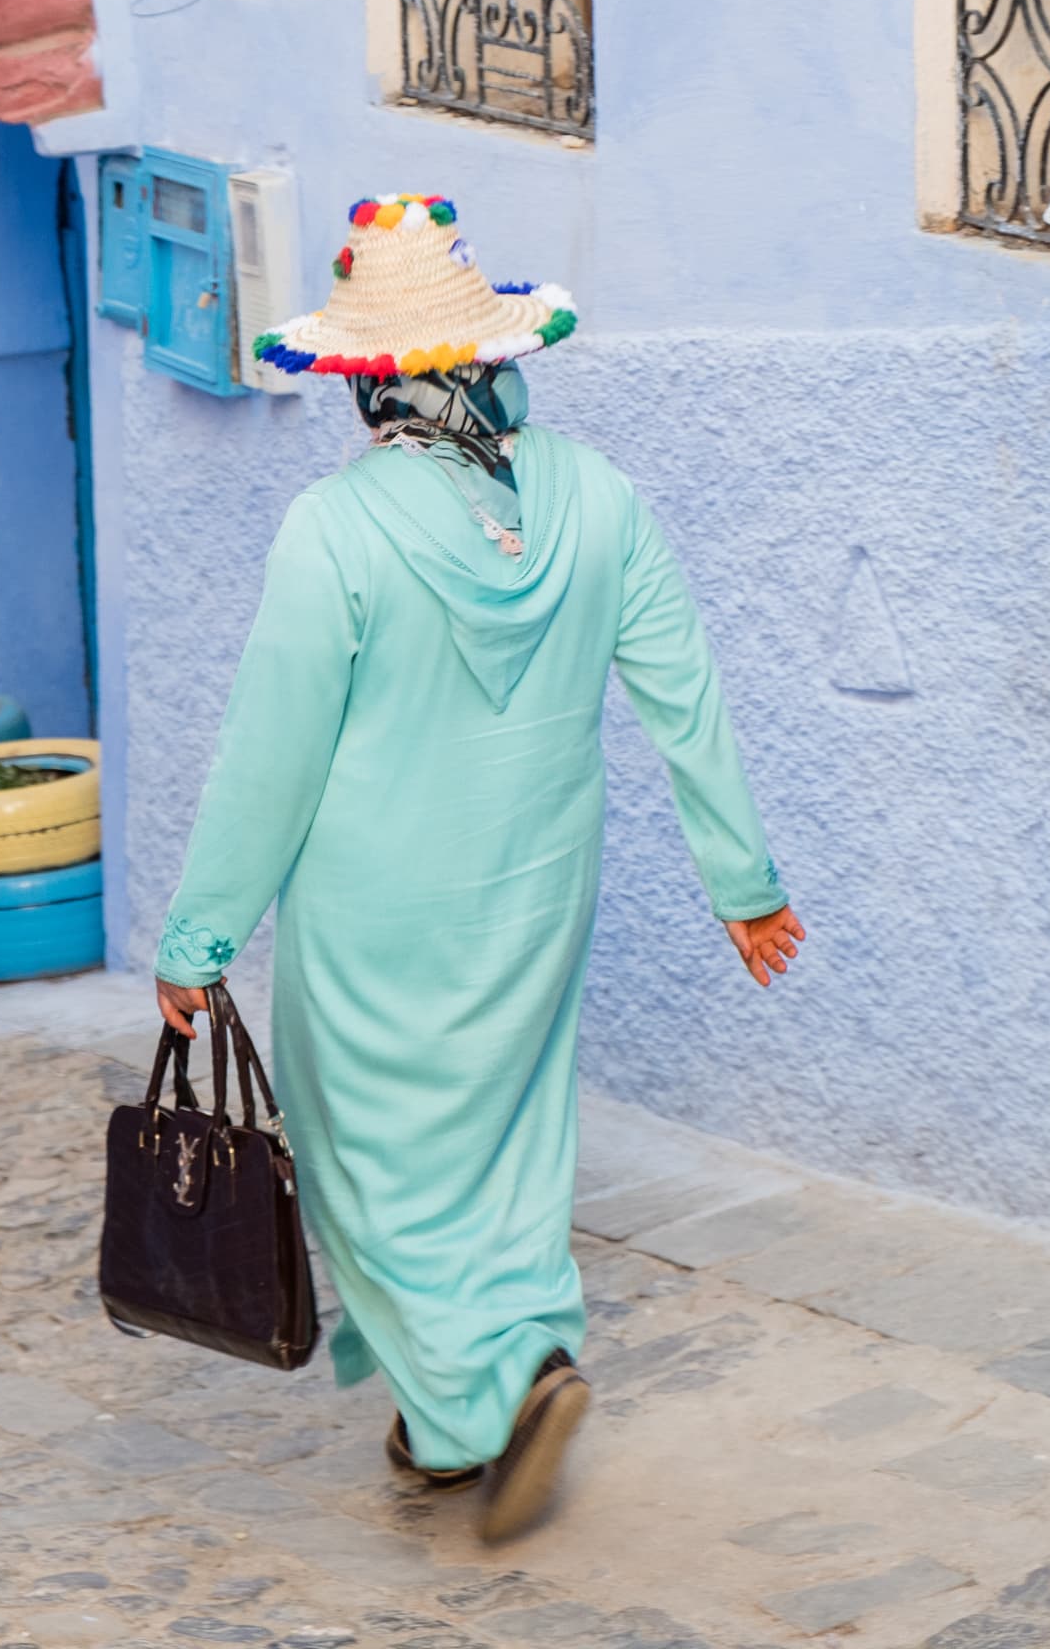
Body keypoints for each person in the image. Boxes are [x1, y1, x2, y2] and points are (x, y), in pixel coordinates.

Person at [154, 192, 803, 1542]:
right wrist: (743, 883)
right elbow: (685, 692)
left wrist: (202, 940)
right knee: (511, 1138)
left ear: (369, 382)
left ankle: (475, 1401)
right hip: (540, 888)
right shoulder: (600, 498)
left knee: (365, 1161)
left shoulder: (334, 533)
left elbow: (268, 760)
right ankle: (497, 1378)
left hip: (374, 910)